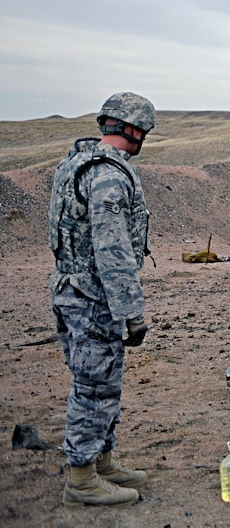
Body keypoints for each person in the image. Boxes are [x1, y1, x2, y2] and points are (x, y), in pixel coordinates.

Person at [48, 92, 155, 507]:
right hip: (95, 298)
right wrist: (132, 313)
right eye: (143, 130)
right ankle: (81, 479)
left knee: (103, 383)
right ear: (131, 129)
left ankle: (102, 462)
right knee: (94, 387)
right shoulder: (109, 175)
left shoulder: (75, 162)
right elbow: (113, 253)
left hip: (73, 291)